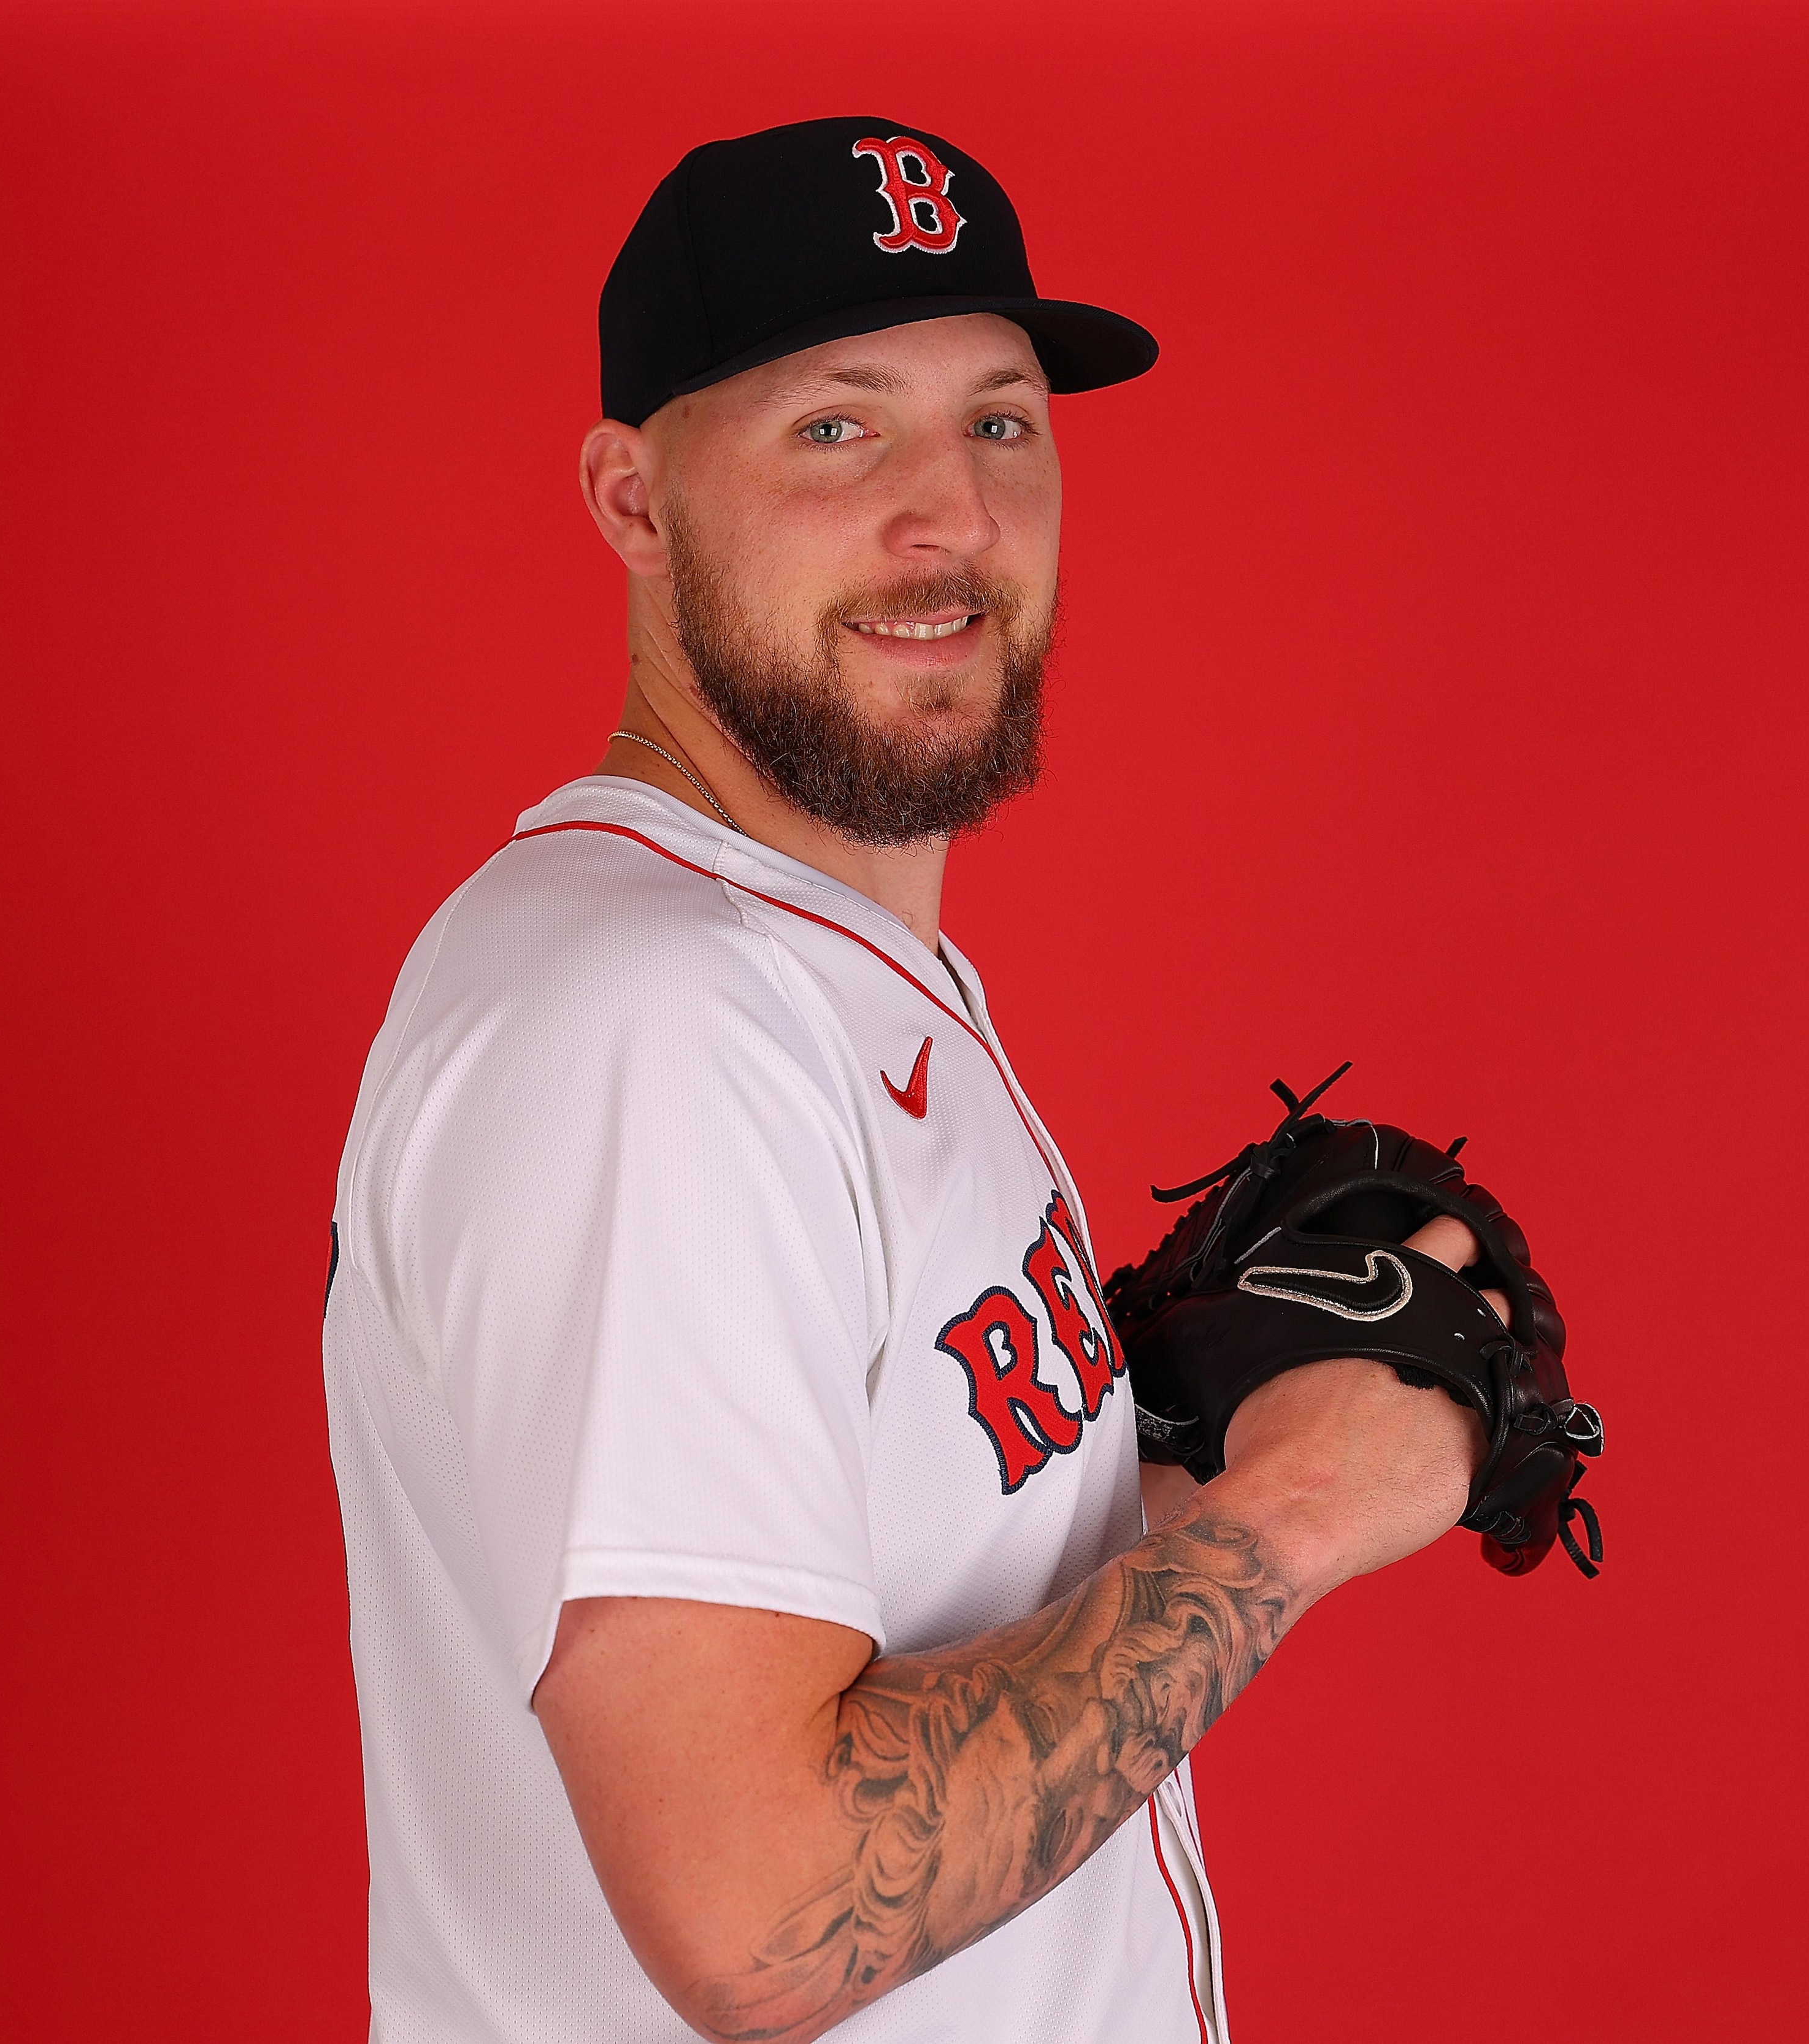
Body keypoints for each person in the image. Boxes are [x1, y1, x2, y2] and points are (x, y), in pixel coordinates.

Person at [323, 117, 1494, 2044]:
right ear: (633, 498)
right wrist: (1282, 1517)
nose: (949, 517)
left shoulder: (800, 965)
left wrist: (1157, 1460)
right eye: (838, 429)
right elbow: (763, 1914)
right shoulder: (658, 1020)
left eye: (1003, 424)